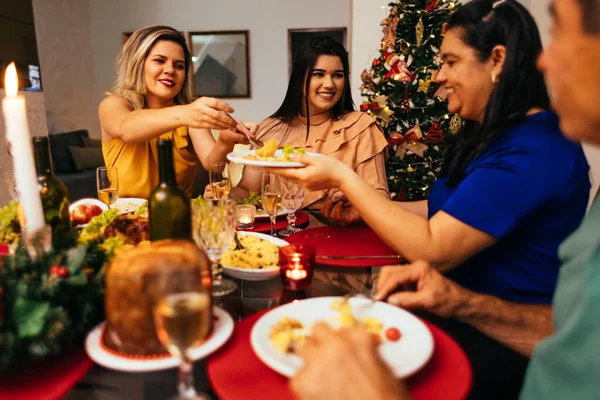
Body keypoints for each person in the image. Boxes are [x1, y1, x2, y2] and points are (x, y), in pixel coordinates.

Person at [290, 0, 600, 399]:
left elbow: (435, 247)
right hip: (459, 312)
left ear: (497, 61)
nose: (439, 75)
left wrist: (345, 178)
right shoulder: (495, 133)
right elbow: (446, 212)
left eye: (451, 61)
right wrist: (362, 211)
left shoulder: (535, 148)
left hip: (497, 344)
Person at [230, 36, 389, 225]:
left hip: (342, 237)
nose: (329, 84)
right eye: (318, 74)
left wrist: (352, 196)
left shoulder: (361, 126)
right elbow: (248, 190)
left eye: (337, 75)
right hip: (281, 238)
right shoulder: (271, 128)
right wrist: (223, 197)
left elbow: (381, 199)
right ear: (300, 79)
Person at [99, 25, 256, 199]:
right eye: (159, 61)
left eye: (179, 66)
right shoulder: (113, 104)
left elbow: (212, 163)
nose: (170, 70)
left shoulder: (189, 115)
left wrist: (226, 140)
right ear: (138, 64)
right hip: (125, 220)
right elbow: (125, 128)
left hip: (177, 218)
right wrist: (186, 113)